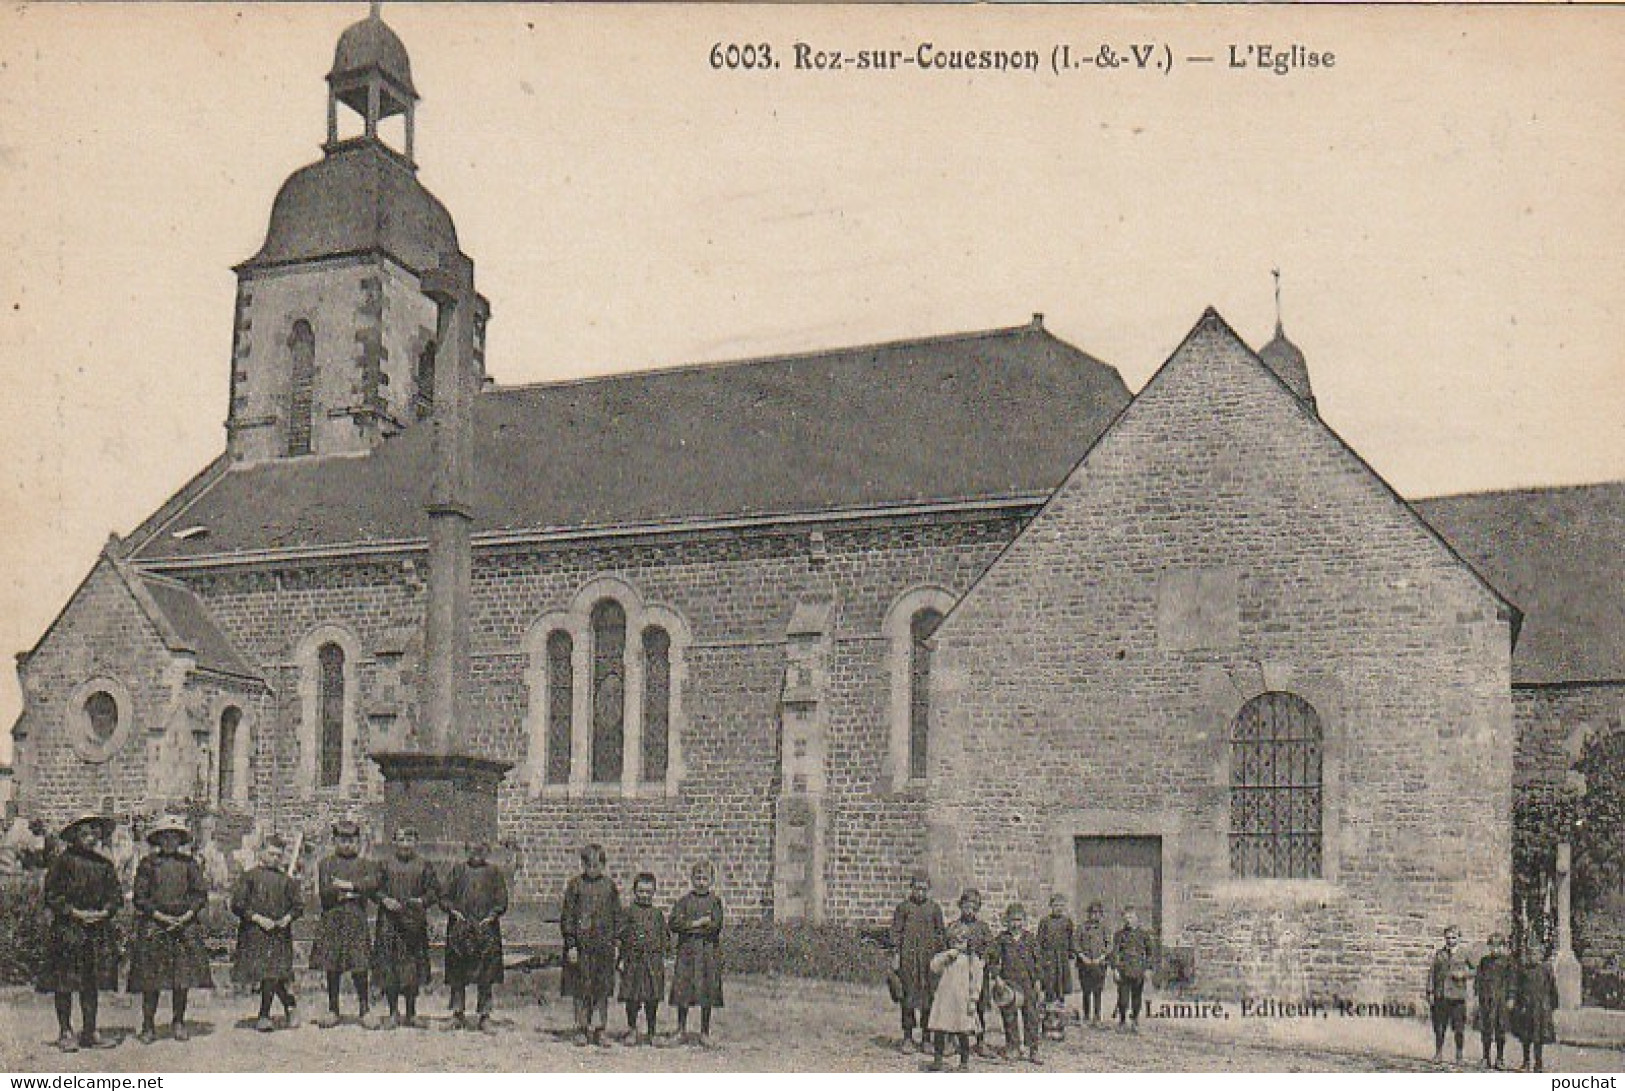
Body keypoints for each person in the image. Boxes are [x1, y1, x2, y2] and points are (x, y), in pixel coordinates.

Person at [39, 813, 121, 1052]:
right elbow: (52, 895)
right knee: (64, 981)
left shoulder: (104, 865)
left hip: (96, 929)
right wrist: (73, 912)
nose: (90, 838)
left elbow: (115, 896)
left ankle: (90, 1031)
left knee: (90, 981)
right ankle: (65, 1031)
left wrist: (105, 912)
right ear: (74, 836)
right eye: (84, 833)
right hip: (68, 928)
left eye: (94, 832)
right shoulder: (62, 862)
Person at [127, 815, 213, 1043]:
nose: (170, 841)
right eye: (165, 836)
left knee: (181, 978)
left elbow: (199, 894)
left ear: (180, 840)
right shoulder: (148, 864)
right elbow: (140, 897)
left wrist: (186, 916)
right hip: (155, 924)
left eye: (174, 837)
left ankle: (178, 1021)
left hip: (184, 925)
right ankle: (148, 1025)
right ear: (158, 839)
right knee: (151, 979)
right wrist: (159, 916)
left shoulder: (189, 864)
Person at [230, 833, 303, 1032]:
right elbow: (237, 904)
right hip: (255, 932)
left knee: (273, 974)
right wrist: (257, 918)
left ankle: (264, 1015)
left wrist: (286, 919)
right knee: (265, 974)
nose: (275, 859)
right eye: (271, 854)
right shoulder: (250, 877)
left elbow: (298, 907)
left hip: (278, 933)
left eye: (279, 855)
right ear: (261, 852)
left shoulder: (286, 880)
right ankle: (290, 1004)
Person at [311, 818, 379, 1028]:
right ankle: (333, 1008)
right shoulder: (326, 864)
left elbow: (371, 886)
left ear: (357, 841)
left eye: (351, 840)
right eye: (342, 839)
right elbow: (326, 891)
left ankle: (364, 1009)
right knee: (333, 966)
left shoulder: (366, 865)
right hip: (333, 918)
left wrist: (348, 886)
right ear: (335, 840)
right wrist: (353, 891)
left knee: (360, 966)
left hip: (356, 919)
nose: (347, 844)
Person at [372, 826, 439, 1029]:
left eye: (409, 839)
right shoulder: (385, 864)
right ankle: (393, 1012)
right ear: (394, 842)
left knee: (412, 968)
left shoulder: (424, 865)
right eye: (401, 839)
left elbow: (434, 891)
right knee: (390, 967)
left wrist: (422, 900)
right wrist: (384, 900)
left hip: (413, 923)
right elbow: (374, 889)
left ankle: (411, 1013)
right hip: (390, 923)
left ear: (415, 842)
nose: (405, 844)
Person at [443, 839, 508, 1031]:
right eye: (472, 850)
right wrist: (454, 912)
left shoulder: (494, 872)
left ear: (487, 852)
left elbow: (502, 899)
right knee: (457, 972)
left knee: (486, 972)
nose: (476, 854)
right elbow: (445, 896)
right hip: (460, 927)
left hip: (486, 928)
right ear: (466, 851)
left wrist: (491, 916)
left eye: (481, 850)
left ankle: (484, 1015)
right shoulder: (458, 871)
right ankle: (457, 1013)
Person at [561, 843, 621, 1046]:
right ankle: (581, 1027)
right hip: (581, 947)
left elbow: (616, 916)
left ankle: (599, 1028)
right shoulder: (575, 886)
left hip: (603, 946)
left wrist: (616, 942)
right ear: (583, 864)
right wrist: (571, 945)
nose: (592, 869)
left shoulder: (609, 887)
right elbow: (568, 916)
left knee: (601, 989)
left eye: (597, 865)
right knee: (581, 989)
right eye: (588, 865)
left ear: (603, 865)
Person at [669, 859, 724, 1047]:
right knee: (683, 990)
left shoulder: (715, 902)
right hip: (687, 953)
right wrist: (697, 923)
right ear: (692, 879)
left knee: (706, 991)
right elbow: (675, 924)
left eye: (705, 879)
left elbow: (716, 926)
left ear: (711, 881)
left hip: (707, 952)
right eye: (697, 878)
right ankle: (681, 1029)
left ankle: (704, 1031)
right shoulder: (684, 902)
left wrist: (692, 927)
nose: (701, 882)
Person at [889, 869, 946, 1053]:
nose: (919, 893)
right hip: (909, 960)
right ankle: (908, 1037)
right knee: (908, 997)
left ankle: (927, 1037)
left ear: (928, 890)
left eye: (923, 889)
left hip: (929, 961)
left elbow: (940, 934)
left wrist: (940, 957)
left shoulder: (934, 909)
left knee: (928, 999)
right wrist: (896, 955)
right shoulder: (903, 908)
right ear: (911, 888)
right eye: (916, 888)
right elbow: (895, 933)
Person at [925, 914, 985, 1071]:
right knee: (940, 1029)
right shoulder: (946, 957)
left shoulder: (972, 959)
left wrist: (973, 998)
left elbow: (977, 979)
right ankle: (938, 1059)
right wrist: (946, 956)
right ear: (950, 941)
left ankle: (964, 1062)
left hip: (962, 1000)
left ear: (968, 942)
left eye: (963, 941)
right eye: (955, 941)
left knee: (963, 1031)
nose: (959, 945)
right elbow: (933, 967)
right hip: (945, 999)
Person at [617, 872, 669, 1045]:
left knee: (651, 998)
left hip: (652, 962)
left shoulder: (657, 914)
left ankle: (652, 1032)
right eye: (641, 891)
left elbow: (664, 937)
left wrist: (664, 957)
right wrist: (621, 958)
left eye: (648, 891)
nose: (644, 895)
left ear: (654, 892)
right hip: (633, 961)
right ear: (634, 891)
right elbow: (621, 936)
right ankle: (632, 1030)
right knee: (632, 997)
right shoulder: (628, 912)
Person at [989, 902, 1042, 1064]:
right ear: (1007, 921)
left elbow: (1038, 961)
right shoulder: (1001, 939)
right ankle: (1012, 1046)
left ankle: (1033, 1049)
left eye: (1019, 920)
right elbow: (992, 960)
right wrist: (997, 978)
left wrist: (1038, 980)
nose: (1016, 924)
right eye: (1012, 920)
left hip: (1028, 982)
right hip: (1009, 983)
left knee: (1031, 1015)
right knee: (1009, 1016)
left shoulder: (1030, 939)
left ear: (1024, 920)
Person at [1427, 924, 1471, 1063]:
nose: (1450, 940)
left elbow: (1477, 970)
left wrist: (1463, 974)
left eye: (1453, 938)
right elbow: (1432, 973)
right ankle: (1438, 1053)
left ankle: (1459, 1055)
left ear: (1459, 938)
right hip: (1441, 996)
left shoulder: (1464, 954)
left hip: (1457, 996)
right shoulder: (1440, 954)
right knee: (1439, 1027)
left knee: (1458, 1028)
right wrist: (1430, 992)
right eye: (1448, 938)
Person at [1510, 945, 1558, 1073]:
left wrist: (1552, 1005)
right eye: (1530, 955)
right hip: (1526, 1006)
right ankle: (1526, 1062)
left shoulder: (1546, 969)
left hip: (1541, 1007)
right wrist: (1517, 1004)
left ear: (1541, 956)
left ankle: (1538, 1063)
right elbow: (1518, 987)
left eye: (1536, 955)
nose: (1533, 958)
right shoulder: (1523, 969)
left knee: (1538, 1037)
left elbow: (1552, 987)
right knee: (1526, 1036)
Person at [1036, 894, 1074, 1040]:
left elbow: (1071, 941)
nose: (1058, 908)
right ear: (1050, 906)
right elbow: (1039, 943)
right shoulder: (1045, 922)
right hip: (1048, 961)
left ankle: (1060, 1027)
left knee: (1061, 994)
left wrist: (1069, 956)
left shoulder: (1067, 922)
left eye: (1061, 905)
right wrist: (1041, 961)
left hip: (1062, 962)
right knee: (1049, 994)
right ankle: (1047, 1027)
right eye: (1056, 905)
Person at [1109, 907, 1154, 1031]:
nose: (1128, 920)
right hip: (1124, 970)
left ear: (1137, 918)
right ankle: (1122, 1020)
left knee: (1136, 998)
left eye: (1131, 917)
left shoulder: (1144, 935)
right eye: (1126, 918)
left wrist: (1148, 969)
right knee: (1123, 999)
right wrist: (1115, 970)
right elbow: (1115, 952)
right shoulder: (1119, 935)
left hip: (1138, 970)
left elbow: (1150, 953)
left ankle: (1135, 1020)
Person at [1474, 932, 1514, 1069]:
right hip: (1486, 1000)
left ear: (1503, 947)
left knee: (1500, 1028)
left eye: (1498, 946)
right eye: (1492, 946)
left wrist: (1511, 997)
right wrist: (1477, 995)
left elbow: (1512, 982)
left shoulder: (1508, 962)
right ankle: (1485, 1057)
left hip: (1501, 1000)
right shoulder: (1484, 961)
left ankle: (1500, 1058)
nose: (1495, 949)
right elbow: (1478, 979)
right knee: (1486, 1028)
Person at [1073, 901, 1110, 1026]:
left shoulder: (1104, 928)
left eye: (1098, 913)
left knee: (1098, 990)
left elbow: (1109, 945)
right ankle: (1087, 1015)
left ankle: (1097, 1016)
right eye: (1092, 913)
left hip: (1100, 964)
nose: (1095, 916)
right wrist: (1083, 957)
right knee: (1086, 990)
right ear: (1088, 914)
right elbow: (1076, 943)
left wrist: (1101, 957)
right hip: (1085, 964)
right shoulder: (1081, 927)